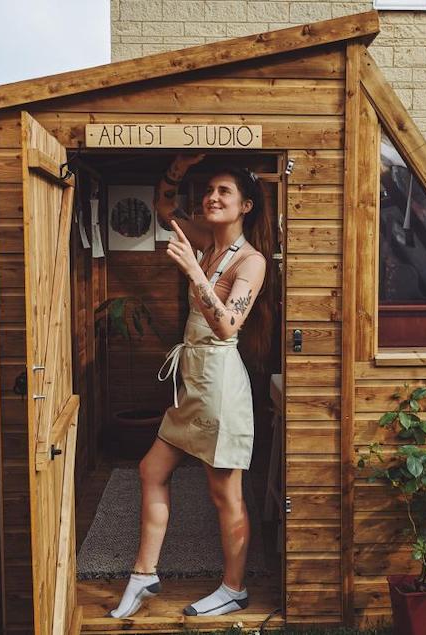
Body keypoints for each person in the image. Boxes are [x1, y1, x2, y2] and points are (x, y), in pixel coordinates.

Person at [109, 153, 273, 619]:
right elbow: (165, 209)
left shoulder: (251, 261)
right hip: (191, 381)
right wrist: (177, 170)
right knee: (151, 470)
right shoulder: (205, 241)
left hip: (221, 384)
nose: (212, 197)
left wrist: (195, 273)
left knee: (225, 494)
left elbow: (228, 326)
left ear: (245, 206)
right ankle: (143, 575)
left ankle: (234, 587)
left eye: (225, 191)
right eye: (209, 190)